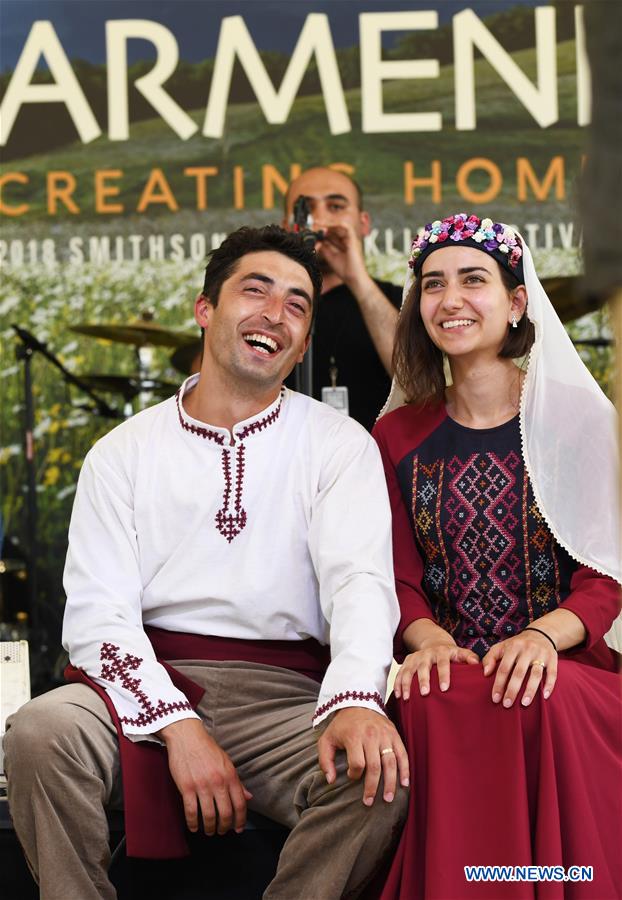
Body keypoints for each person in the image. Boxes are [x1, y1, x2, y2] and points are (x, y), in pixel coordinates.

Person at [3, 225, 409, 900]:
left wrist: (357, 701)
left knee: (378, 774)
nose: (274, 315)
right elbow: (99, 616)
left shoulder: (339, 445)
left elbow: (361, 586)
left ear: (303, 343)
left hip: (287, 700)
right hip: (144, 682)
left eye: (297, 305)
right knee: (40, 733)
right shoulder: (123, 452)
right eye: (256, 291)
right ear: (205, 310)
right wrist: (179, 725)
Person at [372, 213, 622, 899]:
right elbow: (393, 575)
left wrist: (543, 637)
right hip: (452, 662)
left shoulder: (577, 421)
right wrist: (429, 642)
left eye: (473, 281)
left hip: (567, 665)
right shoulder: (395, 436)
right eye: (432, 285)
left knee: (543, 690)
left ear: (516, 302)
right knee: (433, 696)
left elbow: (606, 573)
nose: (450, 300)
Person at [283, 166, 401, 431]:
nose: (321, 220)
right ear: (285, 225)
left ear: (363, 223)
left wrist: (357, 278)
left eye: (335, 207)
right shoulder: (270, 306)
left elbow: (417, 381)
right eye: (307, 209)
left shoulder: (397, 299)